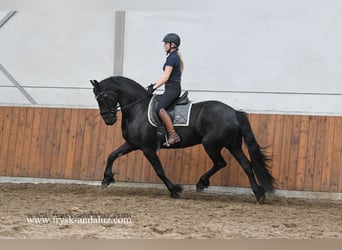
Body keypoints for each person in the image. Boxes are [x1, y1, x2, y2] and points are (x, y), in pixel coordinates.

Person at [147, 33, 184, 146]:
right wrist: (154, 85)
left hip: (172, 89)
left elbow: (166, 77)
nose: (164, 45)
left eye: (165, 43)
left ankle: (173, 134)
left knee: (160, 108)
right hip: (172, 88)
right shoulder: (173, 57)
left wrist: (154, 87)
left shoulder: (172, 58)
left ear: (172, 45)